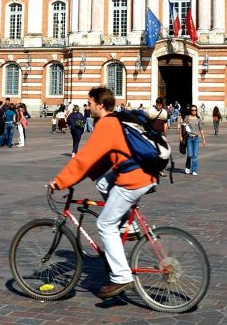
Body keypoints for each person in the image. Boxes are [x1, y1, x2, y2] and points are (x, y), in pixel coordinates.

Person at [49, 87, 158, 300]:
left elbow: (85, 158)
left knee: (105, 225)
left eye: (89, 103)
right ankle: (131, 226)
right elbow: (104, 159)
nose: (87, 107)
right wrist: (85, 175)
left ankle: (121, 276)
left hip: (134, 179)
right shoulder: (115, 121)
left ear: (100, 104)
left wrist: (61, 181)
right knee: (102, 183)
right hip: (144, 172)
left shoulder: (107, 124)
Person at [180, 105, 207, 175]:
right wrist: (180, 136)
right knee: (190, 154)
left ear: (196, 111)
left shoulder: (198, 119)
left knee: (195, 155)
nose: (193, 111)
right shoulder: (187, 117)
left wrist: (203, 139)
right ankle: (187, 166)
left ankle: (194, 170)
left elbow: (201, 129)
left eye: (195, 110)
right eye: (192, 110)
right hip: (189, 138)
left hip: (196, 138)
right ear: (190, 110)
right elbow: (182, 126)